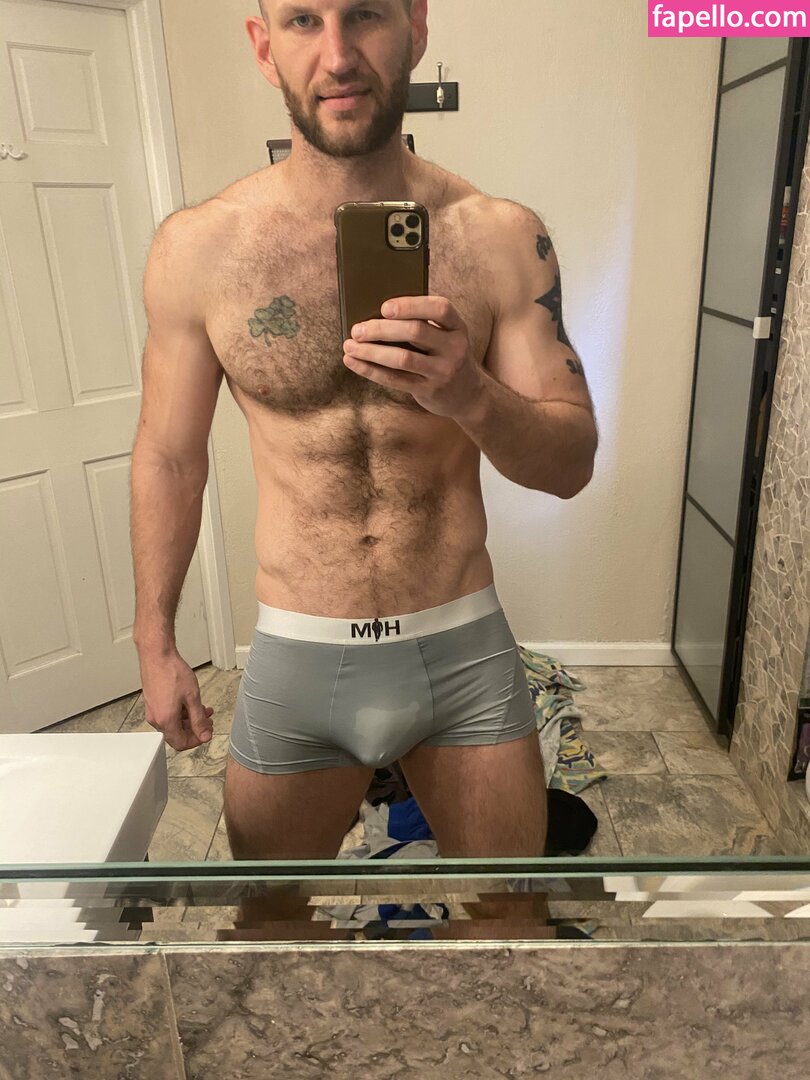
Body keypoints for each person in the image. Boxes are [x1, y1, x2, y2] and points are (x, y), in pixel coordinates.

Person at [131, 0, 598, 912]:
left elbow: (570, 461)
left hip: (459, 650)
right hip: (299, 657)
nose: (338, 54)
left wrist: (469, 394)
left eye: (366, 16)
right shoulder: (199, 249)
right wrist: (155, 644)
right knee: (271, 927)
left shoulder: (500, 236)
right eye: (305, 20)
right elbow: (169, 458)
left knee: (511, 920)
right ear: (264, 46)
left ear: (415, 28)